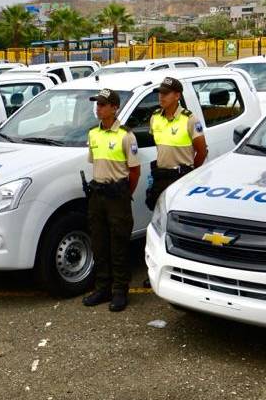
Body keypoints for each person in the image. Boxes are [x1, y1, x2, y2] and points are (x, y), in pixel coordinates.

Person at [142, 76, 207, 287]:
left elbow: (201, 150)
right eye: (160, 93)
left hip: (181, 176)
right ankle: (156, 268)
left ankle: (186, 269)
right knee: (160, 225)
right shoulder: (155, 118)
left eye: (166, 93)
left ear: (177, 96)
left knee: (182, 225)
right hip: (161, 176)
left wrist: (190, 174)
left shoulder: (189, 119)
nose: (161, 97)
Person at [82, 88, 140, 312]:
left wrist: (124, 194)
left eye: (103, 104)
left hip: (118, 197)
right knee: (99, 243)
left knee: (119, 245)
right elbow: (95, 164)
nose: (99, 108)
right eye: (97, 104)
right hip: (98, 195)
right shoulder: (93, 134)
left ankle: (119, 291)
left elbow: (134, 171)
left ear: (114, 108)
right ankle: (102, 288)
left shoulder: (126, 135)